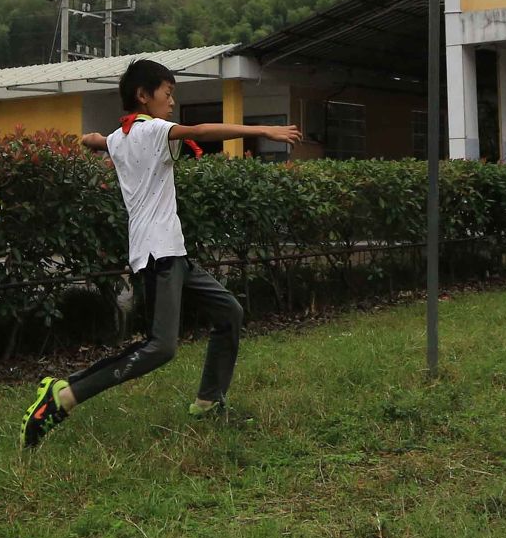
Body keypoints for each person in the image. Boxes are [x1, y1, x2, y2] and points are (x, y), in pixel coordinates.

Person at [22, 58, 301, 449]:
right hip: (159, 257)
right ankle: (65, 395)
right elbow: (201, 130)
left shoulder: (120, 137)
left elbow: (105, 142)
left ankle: (208, 400)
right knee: (160, 347)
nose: (172, 102)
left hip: (172, 254)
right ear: (143, 95)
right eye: (167, 94)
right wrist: (262, 129)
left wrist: (91, 141)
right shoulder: (153, 129)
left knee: (229, 312)